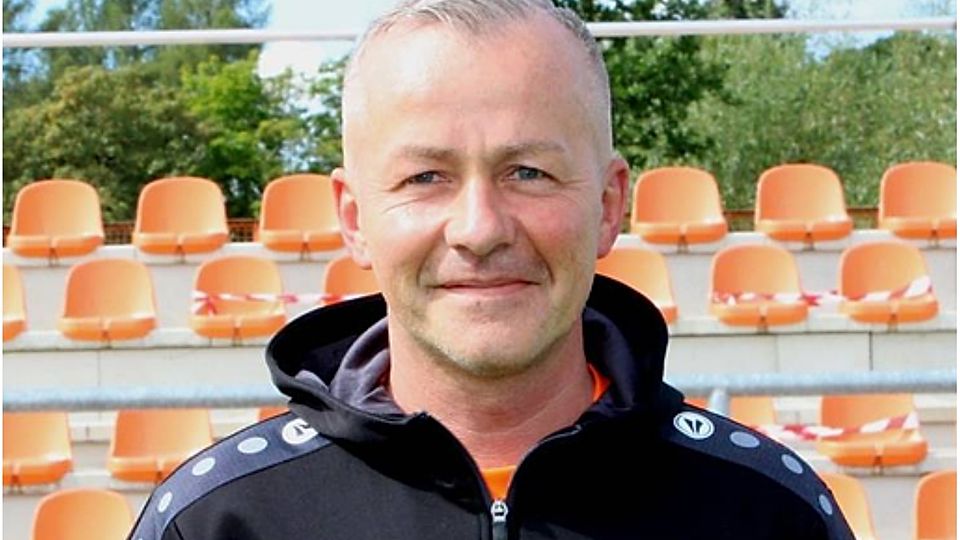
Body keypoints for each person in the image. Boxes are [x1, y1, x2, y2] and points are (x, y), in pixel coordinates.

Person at [129, 1, 854, 538]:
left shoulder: (768, 512)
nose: (479, 229)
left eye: (528, 172)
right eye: (425, 177)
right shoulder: (219, 522)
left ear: (608, 206)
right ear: (354, 218)